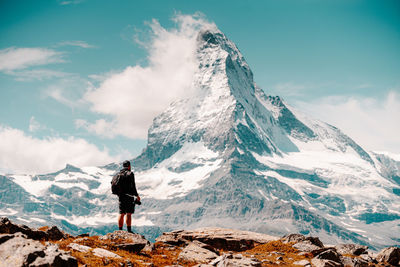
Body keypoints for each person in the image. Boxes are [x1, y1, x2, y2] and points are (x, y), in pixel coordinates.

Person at [117, 160, 140, 233]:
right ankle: (129, 231)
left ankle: (120, 230)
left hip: (121, 196)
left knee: (121, 213)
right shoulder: (130, 174)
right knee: (129, 213)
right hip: (129, 196)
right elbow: (133, 186)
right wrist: (137, 196)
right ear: (129, 166)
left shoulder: (119, 174)